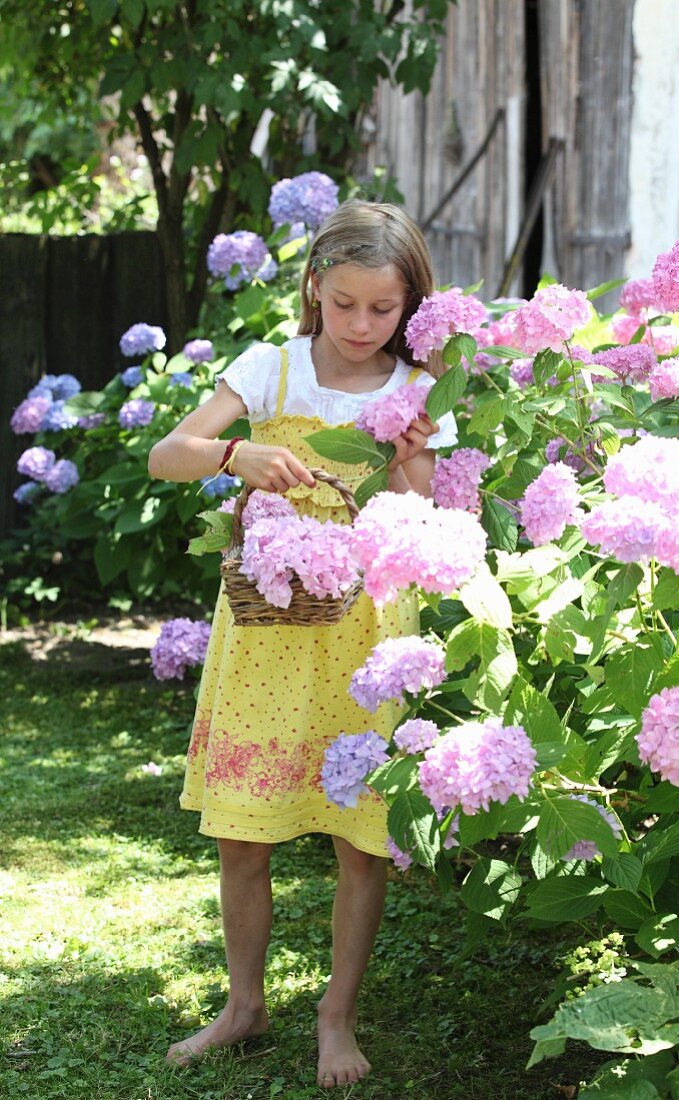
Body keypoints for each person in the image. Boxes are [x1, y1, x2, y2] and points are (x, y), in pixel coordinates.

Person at [147, 199, 458, 1087]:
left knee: (360, 840)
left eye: (383, 310)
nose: (361, 326)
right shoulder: (271, 368)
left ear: (410, 307)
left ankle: (337, 1013)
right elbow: (168, 453)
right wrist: (229, 455)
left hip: (363, 635)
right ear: (314, 287)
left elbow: (428, 510)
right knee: (242, 837)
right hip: (265, 636)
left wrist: (407, 453)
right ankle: (244, 1006)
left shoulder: (413, 389)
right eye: (345, 303)